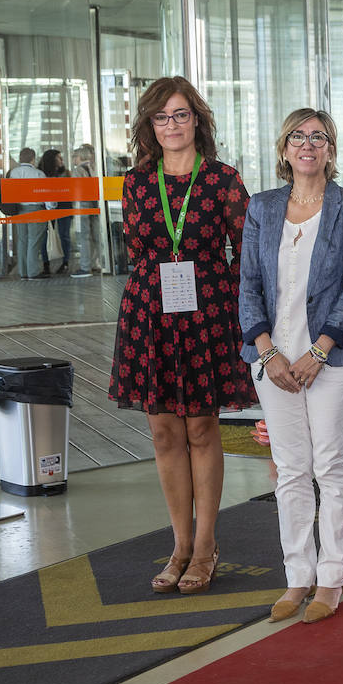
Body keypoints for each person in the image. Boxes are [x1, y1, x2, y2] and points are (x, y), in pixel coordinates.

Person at [108, 76, 255, 595]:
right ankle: (179, 543)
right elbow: (137, 251)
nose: (172, 125)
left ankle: (207, 545)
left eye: (181, 115)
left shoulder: (223, 181)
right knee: (164, 432)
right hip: (150, 315)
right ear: (151, 126)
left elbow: (247, 256)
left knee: (200, 430)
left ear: (198, 120)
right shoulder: (136, 183)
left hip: (208, 314)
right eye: (162, 117)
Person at [240, 108, 343, 624]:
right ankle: (297, 575)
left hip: (332, 359)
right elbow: (247, 284)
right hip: (273, 361)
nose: (307, 145)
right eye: (298, 136)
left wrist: (318, 351)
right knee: (291, 471)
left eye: (318, 137)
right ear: (283, 148)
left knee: (332, 467)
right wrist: (267, 350)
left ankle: (331, 577)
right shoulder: (262, 208)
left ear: (331, 150)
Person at [9, 148, 46, 280]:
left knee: (22, 240)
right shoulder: (38, 174)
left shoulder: (14, 173)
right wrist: (51, 207)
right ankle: (33, 272)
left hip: (19, 210)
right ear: (33, 159)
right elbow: (46, 194)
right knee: (34, 241)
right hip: (35, 209)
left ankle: (23, 272)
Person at [69, 144, 105, 277]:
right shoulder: (94, 167)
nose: (73, 159)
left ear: (80, 156)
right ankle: (98, 263)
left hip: (82, 206)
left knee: (84, 236)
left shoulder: (78, 170)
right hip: (96, 204)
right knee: (96, 235)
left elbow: (76, 190)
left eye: (74, 156)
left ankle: (85, 267)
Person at [39, 148, 72, 275]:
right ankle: (46, 264)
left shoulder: (66, 173)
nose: (62, 160)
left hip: (64, 207)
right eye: (59, 157)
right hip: (47, 208)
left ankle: (65, 263)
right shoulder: (42, 174)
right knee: (45, 236)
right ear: (52, 160)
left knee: (64, 235)